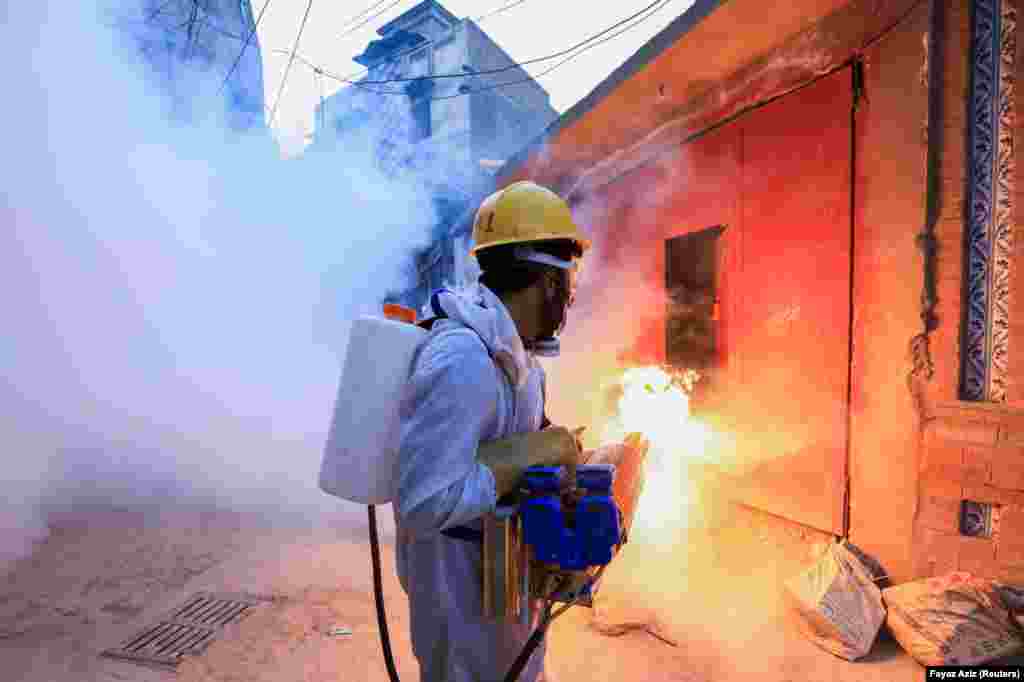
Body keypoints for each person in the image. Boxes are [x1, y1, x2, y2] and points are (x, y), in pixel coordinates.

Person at [393, 181, 591, 682]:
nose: (569, 301)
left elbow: (518, 460)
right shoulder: (462, 359)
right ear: (551, 283)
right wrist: (536, 450)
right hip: (461, 607)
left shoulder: (517, 359)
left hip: (507, 595)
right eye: (569, 283)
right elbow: (423, 501)